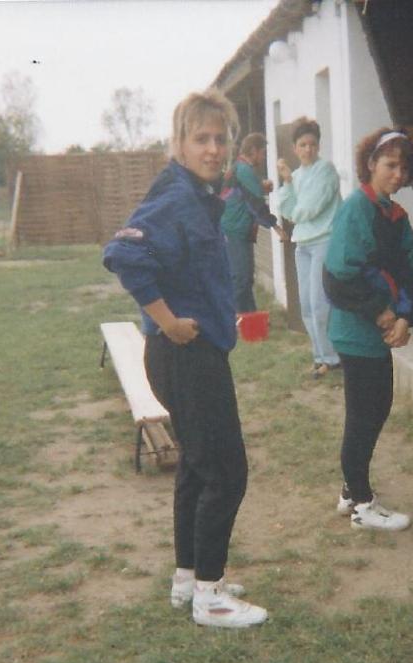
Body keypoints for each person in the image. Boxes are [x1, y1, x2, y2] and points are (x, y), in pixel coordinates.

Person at [103, 89, 267, 628]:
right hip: (185, 354)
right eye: (201, 139)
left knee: (197, 468)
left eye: (221, 139)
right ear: (178, 142)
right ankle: (211, 597)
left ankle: (188, 578)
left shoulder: (198, 194)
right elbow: (125, 254)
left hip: (193, 354)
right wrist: (168, 320)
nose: (213, 149)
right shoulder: (175, 196)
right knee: (226, 472)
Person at [324, 127, 413, 531]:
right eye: (390, 165)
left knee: (376, 407)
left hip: (380, 332)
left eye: (404, 168)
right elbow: (339, 276)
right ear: (370, 164)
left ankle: (351, 490)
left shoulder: (395, 217)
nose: (398, 175)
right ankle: (362, 505)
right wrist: (383, 315)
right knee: (364, 414)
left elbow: (408, 272)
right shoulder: (357, 208)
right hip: (356, 330)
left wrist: (406, 318)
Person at [277, 117, 342, 378]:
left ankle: (332, 358)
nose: (308, 149)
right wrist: (287, 183)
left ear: (318, 146)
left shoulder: (326, 170)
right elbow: (285, 209)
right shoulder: (295, 176)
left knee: (320, 303)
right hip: (302, 244)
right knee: (305, 304)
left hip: (324, 240)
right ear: (295, 148)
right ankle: (319, 356)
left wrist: (295, 210)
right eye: (303, 145)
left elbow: (307, 209)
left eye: (312, 144)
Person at [220, 132, 285, 313]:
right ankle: (238, 320)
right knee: (241, 279)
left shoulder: (240, 167)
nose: (263, 157)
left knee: (246, 278)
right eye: (263, 153)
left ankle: (251, 317)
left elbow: (242, 192)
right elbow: (256, 204)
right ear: (254, 151)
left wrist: (261, 186)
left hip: (239, 230)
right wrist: (276, 227)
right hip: (235, 230)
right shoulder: (244, 170)